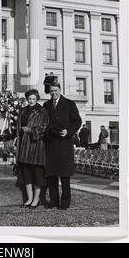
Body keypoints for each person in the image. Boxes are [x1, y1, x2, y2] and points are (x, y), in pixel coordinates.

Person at [43, 82, 82, 210]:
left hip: (64, 144)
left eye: (55, 90)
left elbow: (77, 121)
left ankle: (65, 202)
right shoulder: (46, 105)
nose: (53, 93)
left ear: (60, 90)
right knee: (51, 175)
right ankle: (54, 201)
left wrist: (69, 131)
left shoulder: (69, 103)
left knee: (65, 176)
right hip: (51, 144)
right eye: (51, 91)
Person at [16, 89, 49, 209]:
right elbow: (18, 127)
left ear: (37, 99)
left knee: (37, 175)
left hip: (36, 147)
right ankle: (29, 199)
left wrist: (31, 130)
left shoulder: (42, 111)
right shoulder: (23, 111)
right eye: (29, 99)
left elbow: (45, 128)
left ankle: (36, 200)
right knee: (26, 175)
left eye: (33, 99)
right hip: (24, 147)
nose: (31, 101)